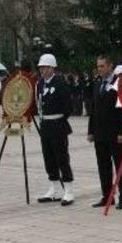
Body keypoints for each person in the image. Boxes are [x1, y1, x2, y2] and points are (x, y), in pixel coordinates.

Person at [88, 55, 122, 209]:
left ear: (110, 66)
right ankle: (107, 196)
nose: (99, 69)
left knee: (120, 166)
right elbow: (93, 109)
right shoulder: (98, 83)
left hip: (115, 133)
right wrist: (91, 131)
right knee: (103, 166)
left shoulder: (120, 83)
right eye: (98, 66)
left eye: (102, 66)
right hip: (100, 133)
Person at [36, 53, 75, 206]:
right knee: (48, 158)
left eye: (45, 67)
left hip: (58, 124)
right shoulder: (40, 84)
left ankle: (68, 190)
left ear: (52, 67)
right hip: (45, 125)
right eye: (41, 67)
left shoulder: (60, 83)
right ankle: (54, 188)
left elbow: (68, 106)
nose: (42, 70)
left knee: (62, 158)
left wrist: (59, 119)